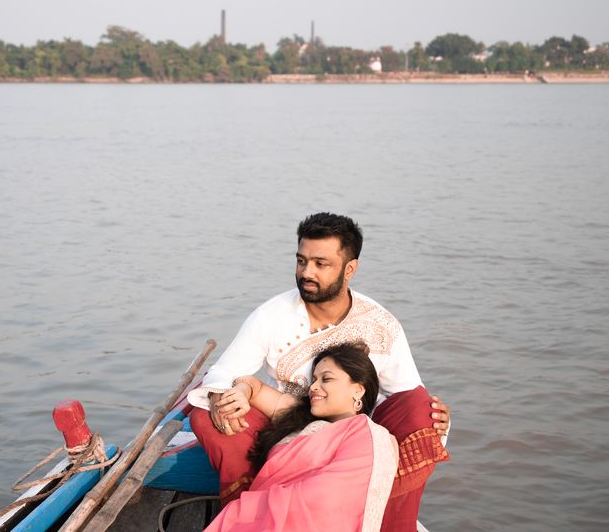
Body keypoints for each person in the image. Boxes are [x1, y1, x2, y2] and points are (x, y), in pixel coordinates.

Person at [188, 213, 450, 532]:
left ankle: (389, 522)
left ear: (349, 269)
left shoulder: (381, 326)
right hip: (288, 429)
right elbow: (224, 375)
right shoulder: (271, 316)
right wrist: (229, 396)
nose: (306, 273)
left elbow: (408, 399)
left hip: (353, 438)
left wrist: (432, 416)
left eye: (320, 264)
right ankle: (254, 515)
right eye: (301, 261)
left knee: (421, 410)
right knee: (209, 417)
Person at [204, 342, 397, 532]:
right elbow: (254, 387)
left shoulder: (369, 436)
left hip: (281, 518)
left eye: (326, 379)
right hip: (253, 512)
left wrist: (256, 508)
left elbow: (328, 497)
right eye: (314, 379)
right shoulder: (299, 415)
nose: (313, 387)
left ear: (358, 389)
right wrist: (241, 391)